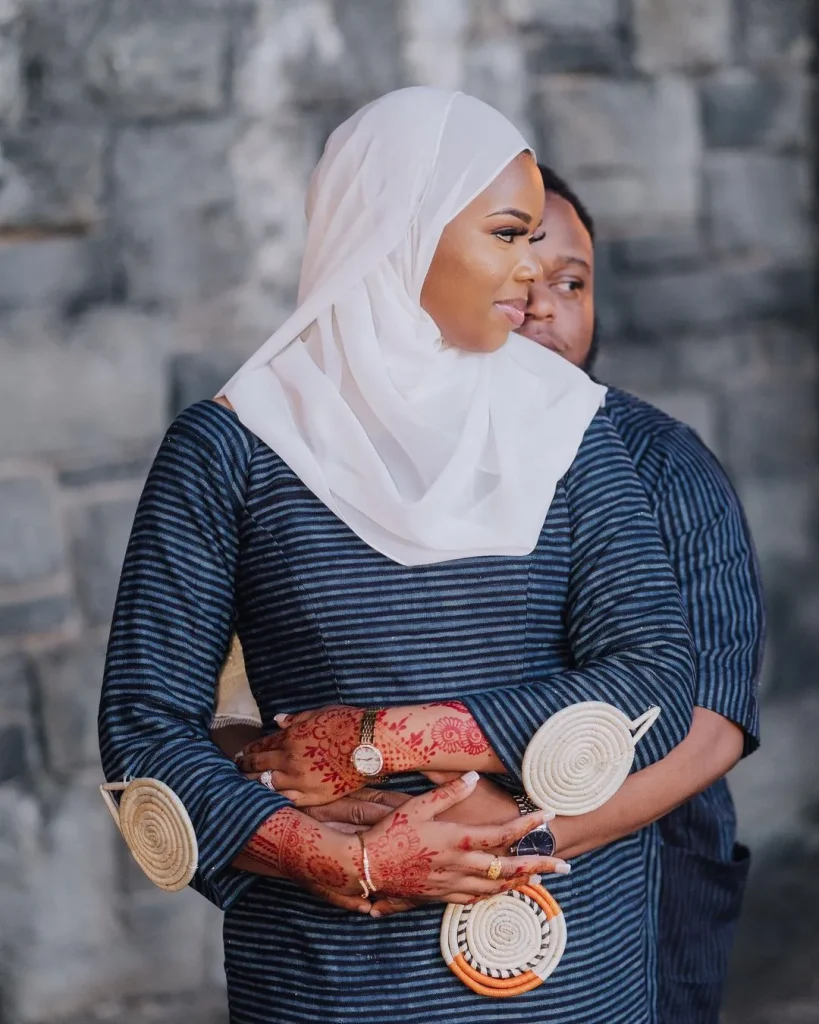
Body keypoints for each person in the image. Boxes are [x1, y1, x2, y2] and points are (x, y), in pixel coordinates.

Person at [98, 88, 696, 1024]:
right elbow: (143, 728)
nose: (530, 270)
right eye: (506, 232)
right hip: (328, 971)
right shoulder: (232, 447)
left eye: (536, 237)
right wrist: (342, 859)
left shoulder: (570, 431)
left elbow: (654, 681)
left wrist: (389, 739)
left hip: (563, 963)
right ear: (396, 229)